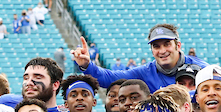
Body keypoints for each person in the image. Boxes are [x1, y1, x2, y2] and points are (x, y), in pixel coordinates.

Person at [73, 23, 206, 92]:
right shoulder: (145, 72)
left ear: (178, 45)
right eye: (156, 46)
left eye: (167, 44)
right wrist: (86, 65)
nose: (162, 51)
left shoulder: (202, 69)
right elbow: (109, 78)